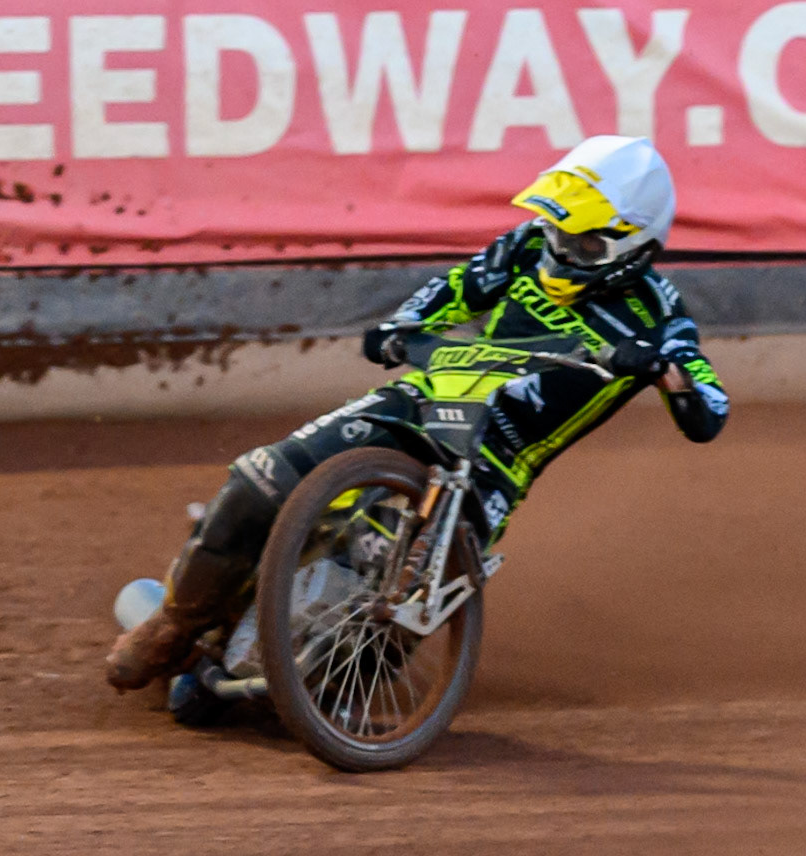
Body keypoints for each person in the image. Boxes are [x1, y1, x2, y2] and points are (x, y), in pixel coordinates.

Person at [106, 135, 727, 691]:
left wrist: (665, 372)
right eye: (558, 231)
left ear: (633, 246)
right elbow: (455, 290)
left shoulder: (661, 320)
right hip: (423, 401)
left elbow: (709, 412)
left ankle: (287, 669)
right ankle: (170, 625)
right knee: (259, 482)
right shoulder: (526, 246)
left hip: (495, 464)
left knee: (374, 657)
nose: (560, 249)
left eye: (584, 242)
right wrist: (401, 326)